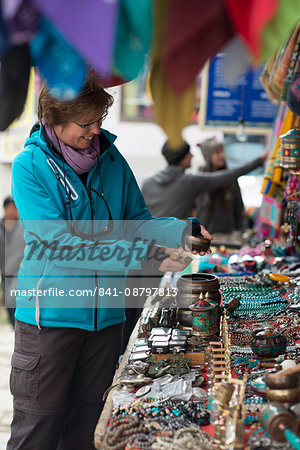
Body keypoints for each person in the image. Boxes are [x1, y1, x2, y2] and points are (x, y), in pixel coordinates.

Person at [7, 73, 212, 450]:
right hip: (51, 322)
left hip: (108, 321)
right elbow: (60, 246)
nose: (95, 131)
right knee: (37, 432)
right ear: (55, 120)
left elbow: (136, 220)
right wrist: (145, 257)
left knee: (89, 429)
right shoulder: (29, 166)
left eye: (99, 120)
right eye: (85, 124)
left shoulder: (111, 158)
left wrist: (181, 231)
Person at [141, 140, 267, 219]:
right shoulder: (190, 181)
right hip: (174, 245)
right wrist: (260, 160)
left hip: (150, 244)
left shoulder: (147, 182)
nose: (192, 155)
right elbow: (228, 176)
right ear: (182, 157)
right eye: (188, 153)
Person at [195, 137, 247, 237]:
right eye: (217, 152)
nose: (222, 155)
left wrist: (239, 231)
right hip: (204, 235)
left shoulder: (230, 179)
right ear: (208, 156)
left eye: (222, 151)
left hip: (228, 236)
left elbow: (239, 207)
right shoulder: (199, 179)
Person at [0, 196, 24, 327]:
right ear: (4, 209)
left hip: (19, 271)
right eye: (8, 208)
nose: (11, 211)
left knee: (15, 301)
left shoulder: (23, 227)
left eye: (14, 208)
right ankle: (13, 326)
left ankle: (17, 328)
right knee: (7, 302)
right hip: (5, 272)